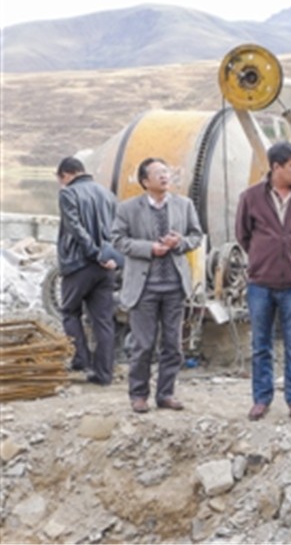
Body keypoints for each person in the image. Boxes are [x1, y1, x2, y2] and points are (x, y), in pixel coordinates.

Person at [236, 142, 291, 422]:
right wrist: (264, 257)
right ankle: (261, 399)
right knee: (261, 345)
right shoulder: (251, 197)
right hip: (260, 283)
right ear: (276, 168)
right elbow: (243, 235)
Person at [113, 157, 203, 413]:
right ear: (145, 181)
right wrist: (149, 248)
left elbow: (196, 236)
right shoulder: (128, 208)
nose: (165, 176)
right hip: (144, 288)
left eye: (166, 172)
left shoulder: (184, 205)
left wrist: (180, 243)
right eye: (158, 173)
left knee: (173, 345)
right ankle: (139, 395)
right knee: (143, 345)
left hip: (174, 286)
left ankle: (165, 394)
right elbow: (117, 240)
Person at [55, 156, 120, 386]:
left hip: (79, 264)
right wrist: (110, 257)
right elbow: (117, 231)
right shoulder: (108, 194)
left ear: (66, 175)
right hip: (106, 267)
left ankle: (81, 359)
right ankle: (104, 374)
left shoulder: (68, 194)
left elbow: (74, 228)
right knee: (103, 320)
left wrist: (93, 253)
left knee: (69, 312)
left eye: (60, 179)